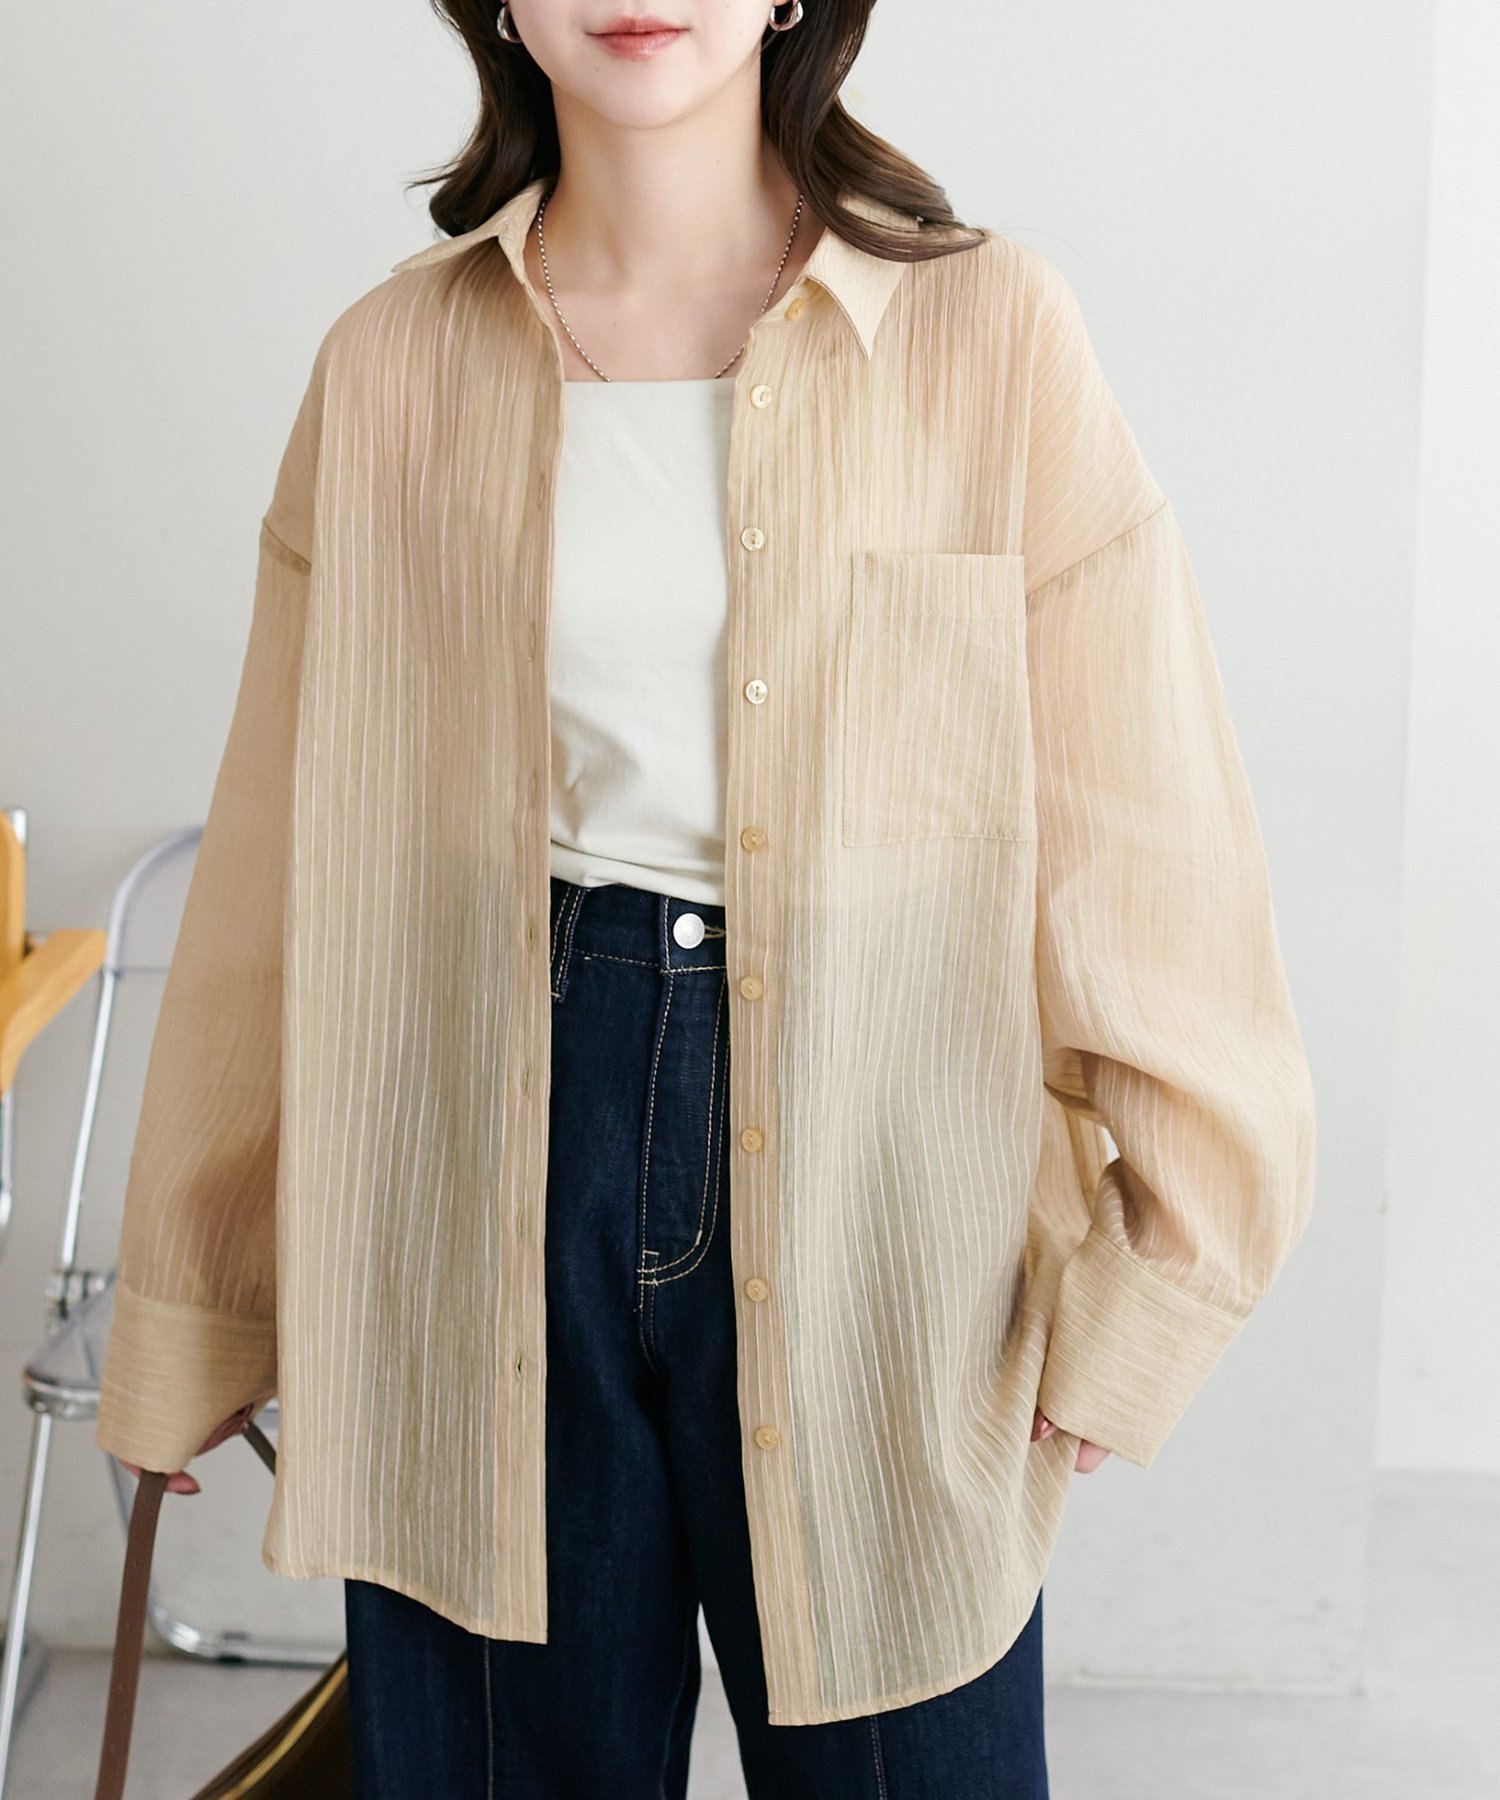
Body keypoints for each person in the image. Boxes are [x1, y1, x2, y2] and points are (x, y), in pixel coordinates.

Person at [97, 2, 1318, 1794]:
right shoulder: (389, 366)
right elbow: (288, 861)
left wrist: (1168, 1266)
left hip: (882, 1182)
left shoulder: (991, 335)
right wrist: (196, 1290)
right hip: (479, 1161)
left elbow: (1148, 835)